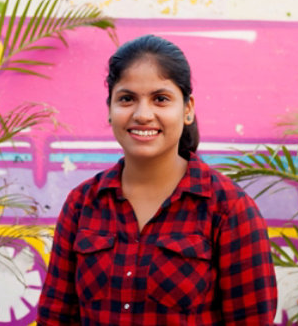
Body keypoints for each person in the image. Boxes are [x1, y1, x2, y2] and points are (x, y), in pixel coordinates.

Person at [37, 35, 277, 325]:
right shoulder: (82, 204)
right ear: (110, 110)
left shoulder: (228, 210)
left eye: (160, 99)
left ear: (187, 110)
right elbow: (56, 317)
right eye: (127, 99)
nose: (143, 114)